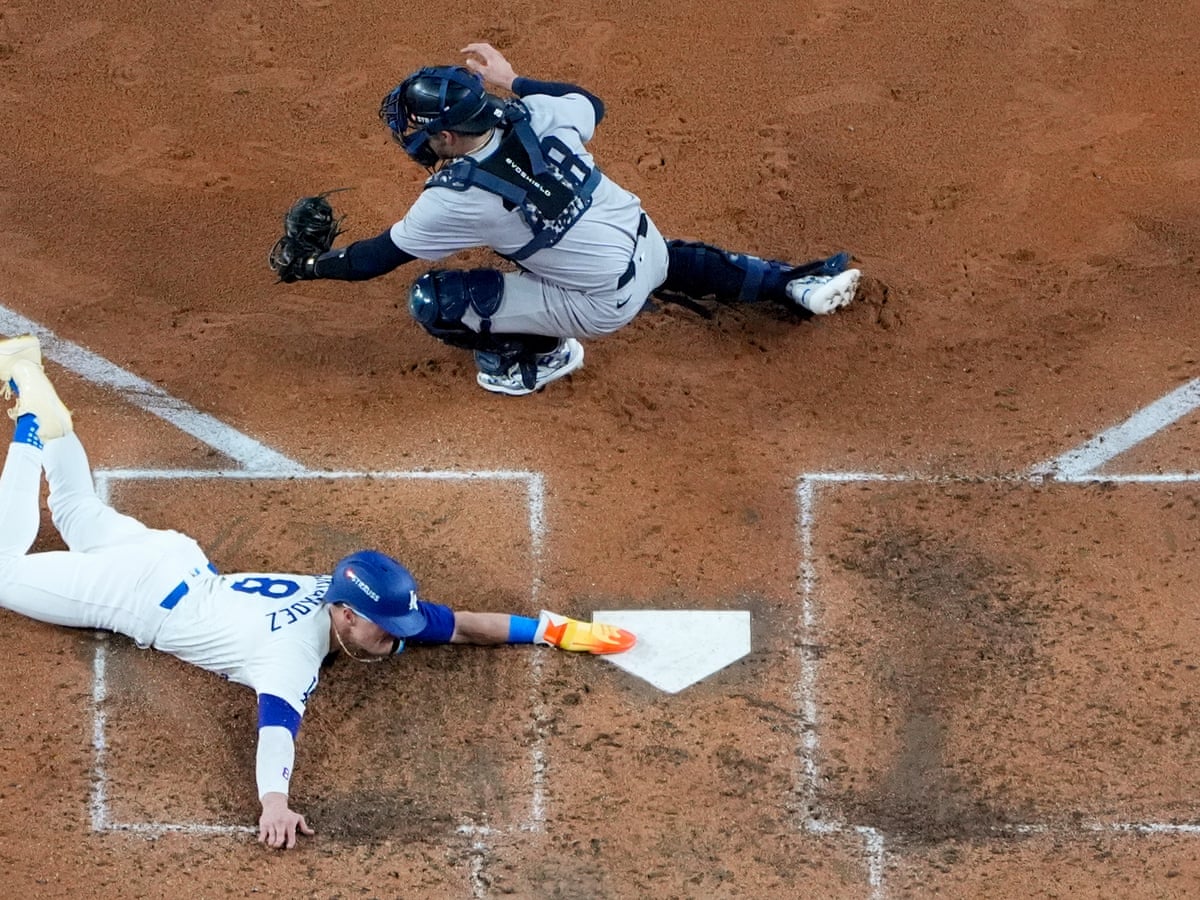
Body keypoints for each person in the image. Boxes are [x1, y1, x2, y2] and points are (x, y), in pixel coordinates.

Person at [0, 334, 635, 849]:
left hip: (170, 561)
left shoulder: (359, 600)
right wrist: (274, 804)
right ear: (343, 614)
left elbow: (463, 625)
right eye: (382, 629)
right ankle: (33, 428)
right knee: (8, 569)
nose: (393, 639)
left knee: (81, 513)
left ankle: (36, 393)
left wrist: (558, 631)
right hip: (136, 589)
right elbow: (276, 730)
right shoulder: (294, 654)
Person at [270, 41, 862, 396]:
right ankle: (793, 284)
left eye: (420, 127)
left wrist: (310, 267)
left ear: (446, 134)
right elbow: (590, 102)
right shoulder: (536, 115)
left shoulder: (453, 200)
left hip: (601, 304)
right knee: (665, 259)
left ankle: (539, 360)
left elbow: (377, 258)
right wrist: (513, 81)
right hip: (644, 242)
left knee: (436, 301)